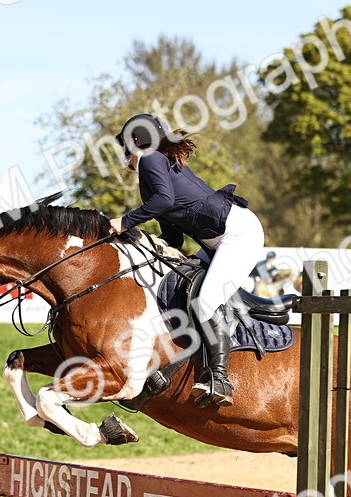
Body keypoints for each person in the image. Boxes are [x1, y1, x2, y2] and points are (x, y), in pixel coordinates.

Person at [109, 113, 264, 407]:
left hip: (238, 235)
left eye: (124, 149)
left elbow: (163, 202)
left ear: (136, 143)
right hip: (220, 241)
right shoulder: (155, 168)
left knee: (205, 302)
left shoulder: (151, 158)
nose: (124, 158)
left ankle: (219, 379)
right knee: (184, 286)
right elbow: (173, 235)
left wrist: (125, 222)